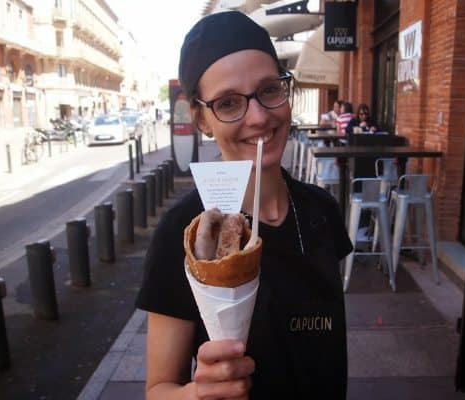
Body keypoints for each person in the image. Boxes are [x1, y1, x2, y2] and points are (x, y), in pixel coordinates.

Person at [136, 11, 352, 400]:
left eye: (269, 89)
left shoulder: (321, 210)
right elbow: (158, 390)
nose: (258, 117)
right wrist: (197, 394)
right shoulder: (184, 232)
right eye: (229, 102)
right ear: (201, 118)